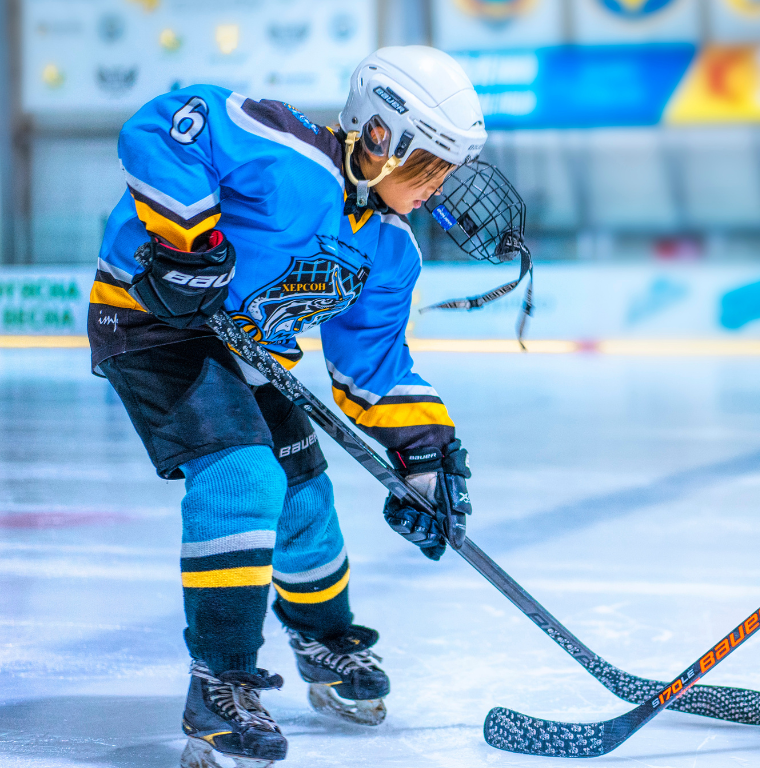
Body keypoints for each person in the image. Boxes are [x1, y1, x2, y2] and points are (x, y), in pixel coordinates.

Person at [87, 46, 497, 768]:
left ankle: (323, 638)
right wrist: (191, 240)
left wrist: (427, 457)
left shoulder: (391, 251)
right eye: (428, 166)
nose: (437, 188)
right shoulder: (288, 156)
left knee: (307, 496)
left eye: (445, 172)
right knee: (245, 477)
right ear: (378, 137)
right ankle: (220, 678)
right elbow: (163, 127)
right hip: (152, 321)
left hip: (245, 348)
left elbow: (372, 366)